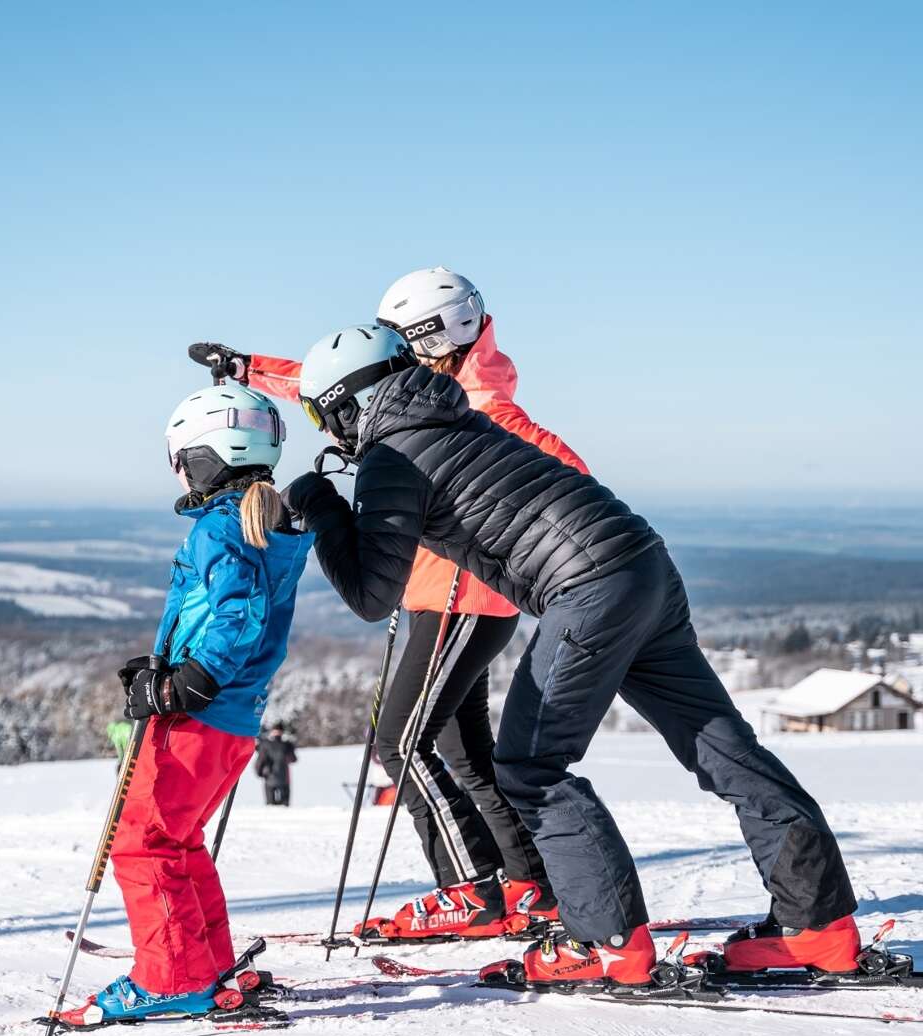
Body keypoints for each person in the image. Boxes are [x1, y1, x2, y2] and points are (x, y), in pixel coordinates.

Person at [281, 323, 859, 987]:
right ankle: (820, 928)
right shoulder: (454, 415)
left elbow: (370, 595)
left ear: (347, 403)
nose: (325, 432)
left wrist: (321, 507)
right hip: (644, 567)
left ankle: (607, 944)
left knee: (528, 765)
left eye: (319, 414)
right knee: (723, 748)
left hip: (588, 591)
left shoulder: (393, 456)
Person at [194, 269, 579, 942]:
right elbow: (341, 383)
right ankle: (529, 885)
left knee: (398, 742)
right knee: (463, 752)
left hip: (458, 596)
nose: (393, 353)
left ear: (438, 334)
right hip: (449, 595)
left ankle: (470, 890)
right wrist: (248, 369)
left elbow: (567, 481)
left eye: (405, 339)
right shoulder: (437, 385)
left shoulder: (480, 402)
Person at [69, 382, 312, 1024]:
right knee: (177, 840)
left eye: (179, 457)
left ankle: (173, 977)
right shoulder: (267, 521)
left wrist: (190, 680)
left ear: (204, 454)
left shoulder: (219, 526)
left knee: (143, 842)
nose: (177, 471)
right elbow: (239, 608)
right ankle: (203, 964)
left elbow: (240, 611)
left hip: (200, 716)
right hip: (233, 719)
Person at [255, 722, 297, 805]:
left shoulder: (265, 744)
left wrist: (259, 772)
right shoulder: (287, 744)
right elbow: (293, 759)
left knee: (270, 806)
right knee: (285, 808)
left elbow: (260, 761)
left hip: (269, 777)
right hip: (284, 778)